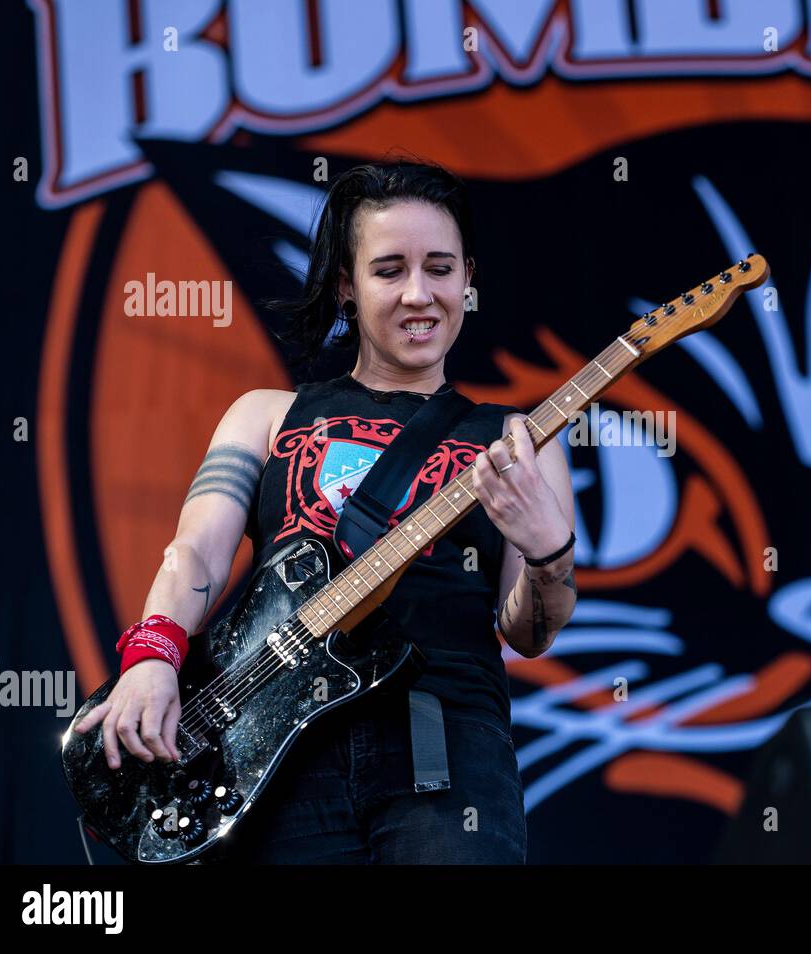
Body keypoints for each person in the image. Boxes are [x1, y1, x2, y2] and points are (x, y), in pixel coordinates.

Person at [73, 159, 578, 863]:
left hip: (443, 747)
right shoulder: (265, 416)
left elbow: (527, 633)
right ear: (347, 284)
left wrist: (551, 556)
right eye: (388, 269)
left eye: (439, 268)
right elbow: (195, 551)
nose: (418, 294)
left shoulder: (521, 440)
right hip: (275, 757)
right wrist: (153, 656)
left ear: (470, 279)